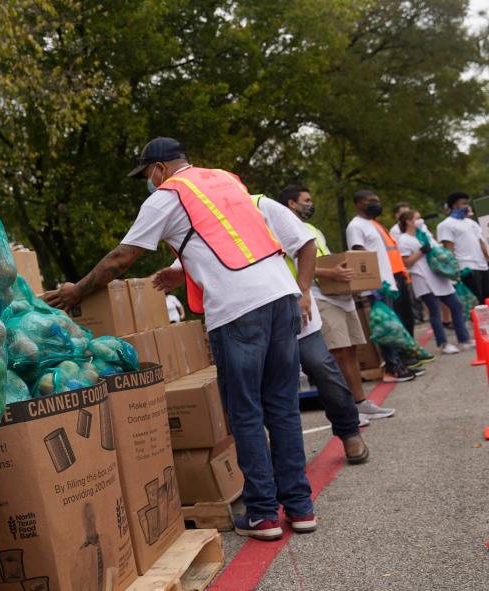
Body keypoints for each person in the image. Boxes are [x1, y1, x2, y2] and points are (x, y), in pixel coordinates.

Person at [44, 137, 315, 541]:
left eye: (147, 175)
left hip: (239, 309)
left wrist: (77, 291)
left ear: (159, 169)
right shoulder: (224, 180)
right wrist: (183, 269)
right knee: (282, 407)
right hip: (281, 296)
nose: (148, 182)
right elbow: (226, 240)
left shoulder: (167, 196)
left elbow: (122, 258)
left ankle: (262, 514)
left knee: (245, 412)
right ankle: (301, 507)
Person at [253, 190, 371, 464]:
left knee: (322, 368)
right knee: (270, 386)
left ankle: (349, 432)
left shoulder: (264, 209)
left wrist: (304, 291)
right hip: (259, 316)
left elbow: (307, 249)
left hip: (298, 311)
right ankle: (285, 456)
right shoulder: (218, 224)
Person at [276, 186, 395, 424]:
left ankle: (361, 403)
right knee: (337, 353)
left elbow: (324, 256)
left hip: (339, 294)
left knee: (350, 350)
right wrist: (331, 272)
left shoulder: (312, 229)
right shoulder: (282, 230)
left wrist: (348, 274)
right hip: (318, 294)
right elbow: (297, 265)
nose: (311, 204)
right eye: (306, 200)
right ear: (291, 204)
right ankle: (348, 409)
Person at [346, 190, 429, 377]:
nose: (376, 203)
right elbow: (360, 256)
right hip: (377, 286)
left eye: (377, 200)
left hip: (387, 282)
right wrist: (374, 284)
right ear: (359, 203)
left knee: (392, 326)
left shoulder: (372, 224)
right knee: (384, 328)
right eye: (370, 201)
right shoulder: (355, 226)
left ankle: (399, 363)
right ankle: (393, 368)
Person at [397, 208, 475, 354]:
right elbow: (406, 262)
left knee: (456, 305)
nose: (421, 221)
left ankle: (464, 340)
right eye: (417, 218)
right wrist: (421, 251)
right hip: (423, 278)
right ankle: (443, 344)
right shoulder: (404, 240)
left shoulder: (423, 235)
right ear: (408, 221)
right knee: (435, 311)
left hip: (438, 276)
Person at [437, 192, 489, 304]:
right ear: (454, 205)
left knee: (487, 300)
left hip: (482, 266)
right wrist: (453, 271)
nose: (467, 207)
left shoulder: (471, 223)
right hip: (466, 267)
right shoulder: (446, 225)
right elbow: (448, 250)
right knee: (478, 303)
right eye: (463, 204)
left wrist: (487, 260)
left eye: (467, 203)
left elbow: (482, 243)